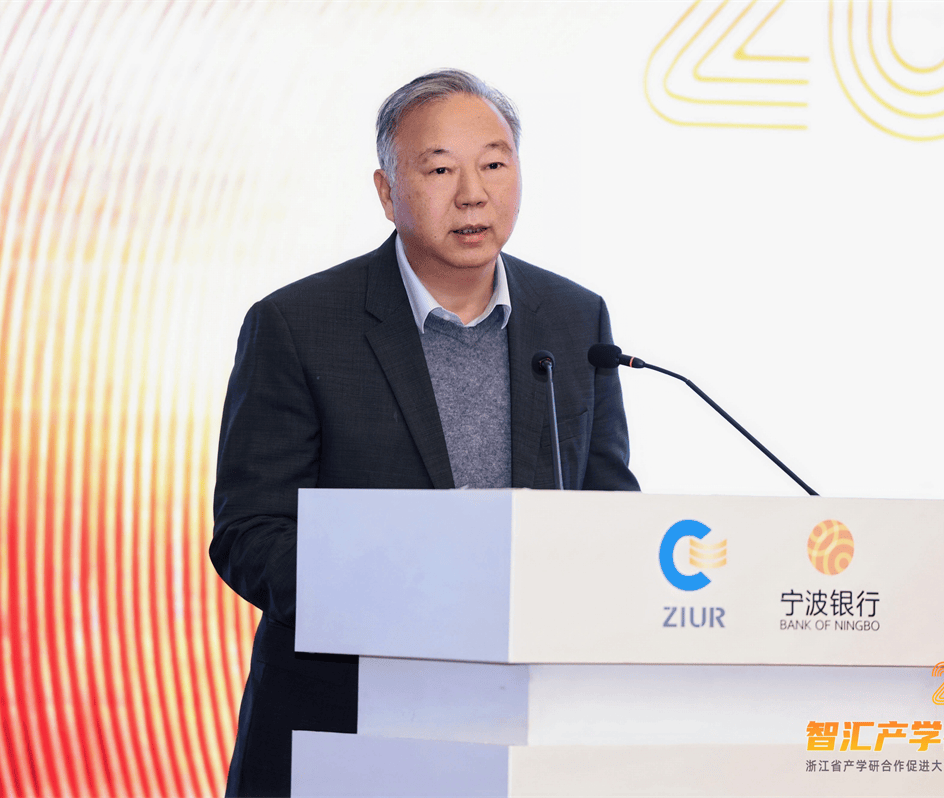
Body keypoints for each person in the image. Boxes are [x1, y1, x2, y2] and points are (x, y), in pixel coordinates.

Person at [210, 69, 640, 797]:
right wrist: (399, 603)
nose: (472, 194)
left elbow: (607, 507)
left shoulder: (574, 318)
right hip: (344, 726)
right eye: (440, 169)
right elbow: (250, 531)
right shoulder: (298, 325)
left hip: (522, 728)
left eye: (494, 164)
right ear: (387, 192)